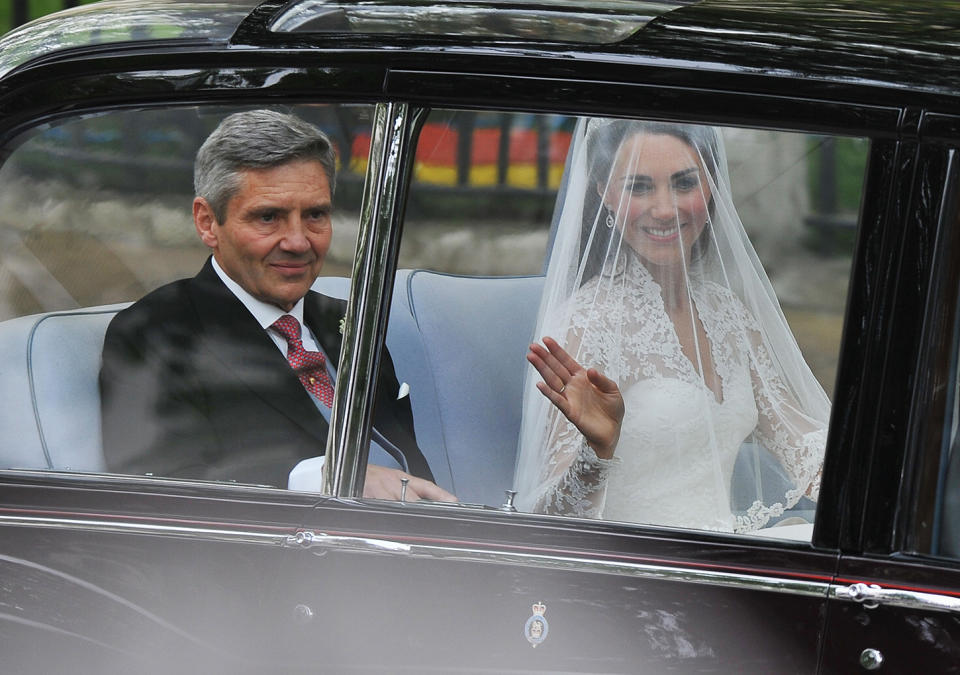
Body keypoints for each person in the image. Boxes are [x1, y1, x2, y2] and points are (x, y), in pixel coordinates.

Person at [99, 109, 454, 502]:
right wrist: (325, 476)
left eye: (315, 215)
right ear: (207, 222)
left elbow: (407, 465)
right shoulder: (158, 332)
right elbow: (162, 488)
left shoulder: (350, 321)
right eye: (269, 217)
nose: (298, 242)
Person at [515, 118, 828, 532]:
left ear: (712, 187)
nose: (665, 209)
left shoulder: (728, 314)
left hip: (723, 555)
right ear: (605, 194)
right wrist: (596, 453)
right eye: (639, 187)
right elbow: (547, 522)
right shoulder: (586, 324)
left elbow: (804, 445)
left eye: (684, 184)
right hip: (637, 569)